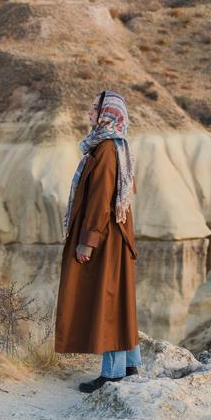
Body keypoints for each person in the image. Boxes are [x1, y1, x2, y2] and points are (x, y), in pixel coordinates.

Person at [53, 90, 140, 394]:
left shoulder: (104, 149)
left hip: (105, 238)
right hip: (114, 235)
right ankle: (131, 364)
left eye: (94, 109)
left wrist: (87, 242)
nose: (89, 112)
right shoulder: (115, 146)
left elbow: (101, 201)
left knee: (108, 302)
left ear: (107, 115)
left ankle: (113, 374)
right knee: (120, 299)